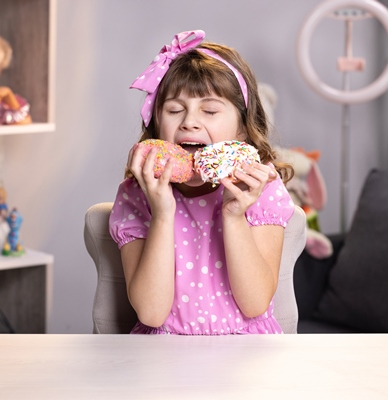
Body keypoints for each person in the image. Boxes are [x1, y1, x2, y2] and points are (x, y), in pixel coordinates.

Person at [109, 30, 295, 335]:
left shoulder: (261, 189)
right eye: (174, 110)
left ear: (242, 131)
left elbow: (255, 303)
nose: (189, 122)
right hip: (164, 352)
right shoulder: (136, 195)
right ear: (156, 124)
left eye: (209, 110)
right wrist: (162, 212)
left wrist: (234, 216)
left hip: (245, 351)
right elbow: (152, 313)